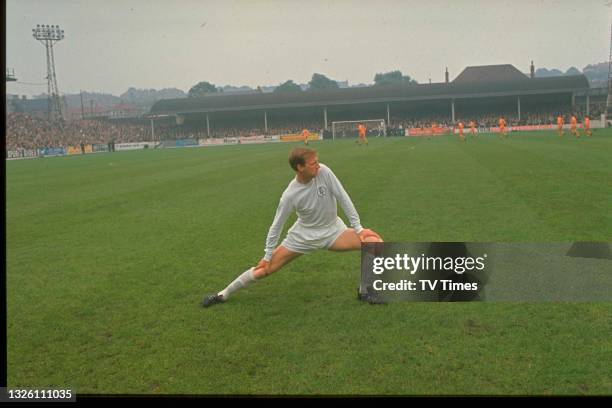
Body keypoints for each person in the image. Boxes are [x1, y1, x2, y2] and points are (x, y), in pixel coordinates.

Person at [202, 147, 383, 307]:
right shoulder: (290, 195)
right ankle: (222, 294)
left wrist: (358, 229)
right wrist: (267, 255)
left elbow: (343, 197)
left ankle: (365, 290)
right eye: (313, 164)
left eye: (317, 162)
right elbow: (276, 226)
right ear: (300, 167)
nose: (318, 166)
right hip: (302, 237)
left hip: (333, 232)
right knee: (264, 270)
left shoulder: (324, 172)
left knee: (375, 243)